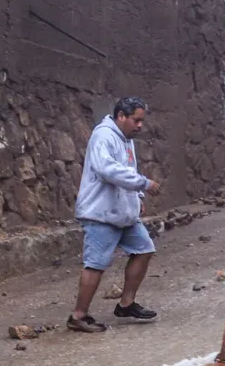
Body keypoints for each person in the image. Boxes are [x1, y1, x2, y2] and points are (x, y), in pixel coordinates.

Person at [68, 96, 162, 332]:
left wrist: (138, 198)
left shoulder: (126, 138)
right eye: (136, 120)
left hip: (123, 212)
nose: (140, 125)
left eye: (141, 121)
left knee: (144, 249)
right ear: (121, 116)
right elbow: (107, 169)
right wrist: (142, 184)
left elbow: (128, 168)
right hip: (101, 213)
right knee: (95, 265)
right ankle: (78, 316)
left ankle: (126, 303)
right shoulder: (103, 136)